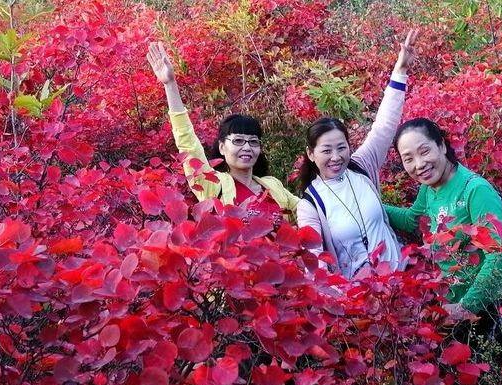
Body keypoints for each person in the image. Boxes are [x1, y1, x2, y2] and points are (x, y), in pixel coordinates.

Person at [296, 30, 419, 279]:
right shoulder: (310, 204)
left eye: (341, 147)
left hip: (401, 280)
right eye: (326, 150)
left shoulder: (361, 166)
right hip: (359, 300)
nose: (336, 157)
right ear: (311, 154)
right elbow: (315, 258)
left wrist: (400, 71)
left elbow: (384, 126)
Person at [147, 42, 299, 224]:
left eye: (253, 142)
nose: (247, 147)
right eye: (238, 141)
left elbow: (309, 214)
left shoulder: (273, 186)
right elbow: (188, 143)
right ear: (222, 146)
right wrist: (170, 84)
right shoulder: (213, 185)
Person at [384, 117, 502, 318]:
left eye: (424, 151)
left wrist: (464, 308)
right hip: (450, 303)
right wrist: (371, 206)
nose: (419, 164)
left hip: (490, 309)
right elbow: (412, 219)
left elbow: (497, 255)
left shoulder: (475, 190)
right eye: (408, 158)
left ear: (442, 146)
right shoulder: (429, 187)